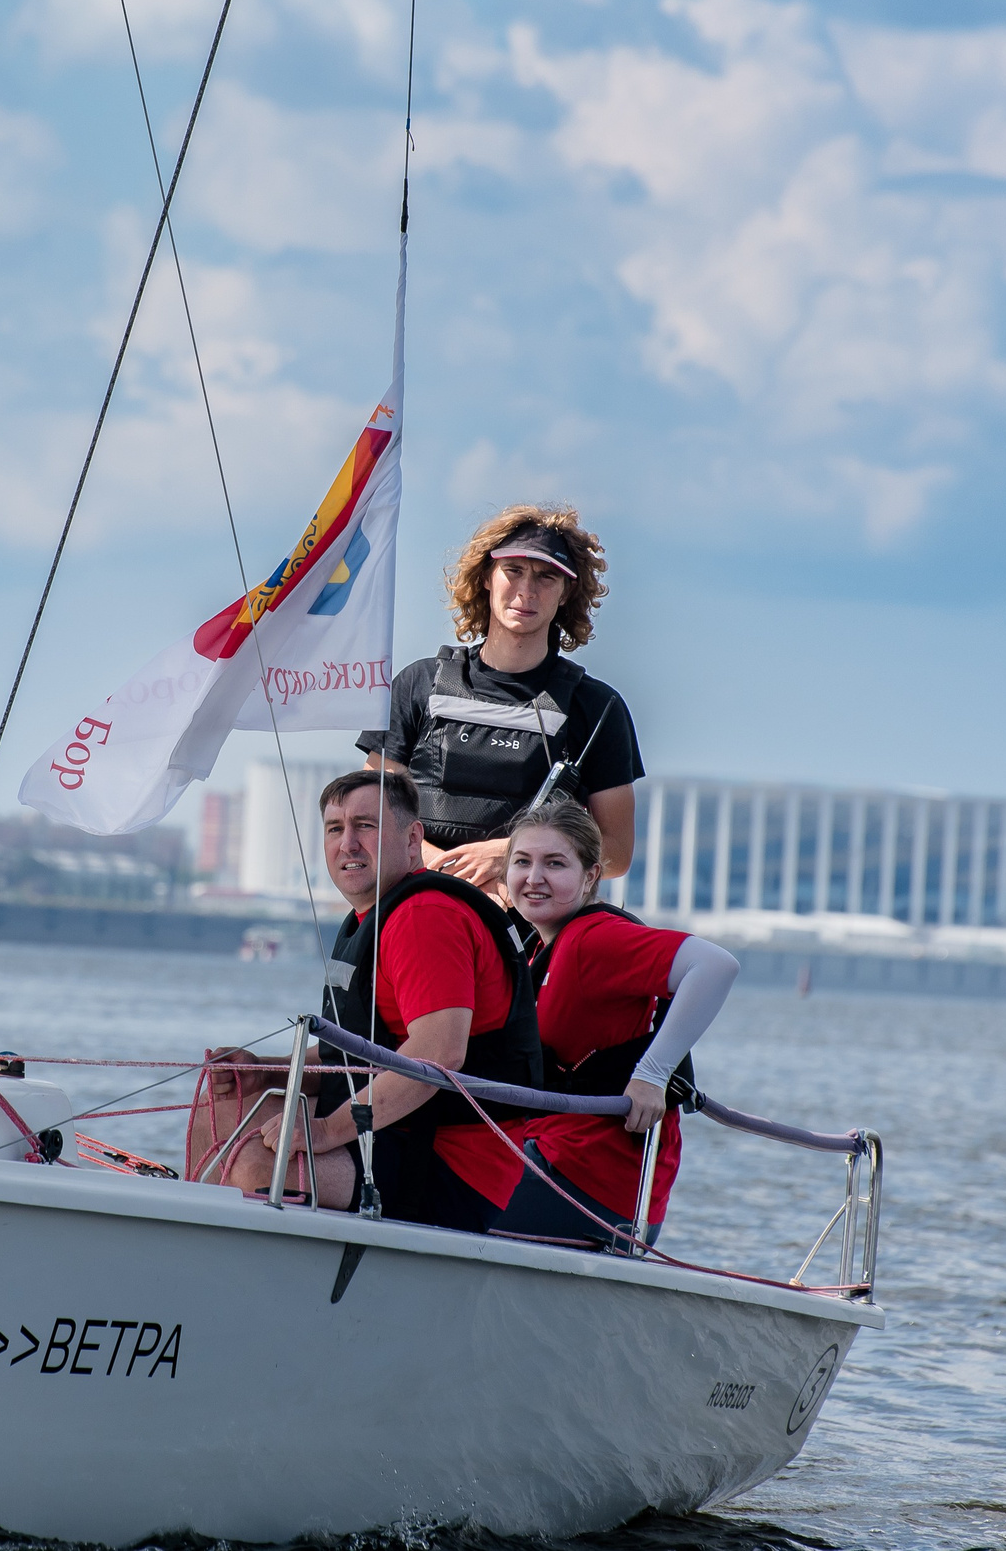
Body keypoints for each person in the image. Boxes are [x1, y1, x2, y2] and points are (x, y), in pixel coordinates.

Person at [191, 769, 538, 1232]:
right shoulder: (369, 918)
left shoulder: (424, 916)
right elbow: (355, 1049)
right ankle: (204, 1248)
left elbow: (439, 1054)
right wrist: (266, 1069)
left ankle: (244, 1277)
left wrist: (326, 1131)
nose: (348, 843)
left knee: (259, 1164)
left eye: (366, 825)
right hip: (392, 1133)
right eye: (336, 829)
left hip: (446, 1160)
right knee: (227, 1105)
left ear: (413, 838)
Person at [360, 504, 642, 895]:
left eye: (547, 577)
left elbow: (616, 852)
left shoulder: (597, 708)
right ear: (487, 578)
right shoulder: (419, 683)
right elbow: (371, 813)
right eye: (514, 570)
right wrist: (441, 873)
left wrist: (513, 854)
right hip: (417, 903)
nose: (527, 590)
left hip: (526, 929)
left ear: (566, 592)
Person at [494, 797, 736, 1247]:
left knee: (418, 1196)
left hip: (593, 1178)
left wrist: (652, 1073)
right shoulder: (538, 952)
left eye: (555, 864)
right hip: (558, 1157)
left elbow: (715, 966)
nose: (534, 877)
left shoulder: (593, 940)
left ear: (590, 876)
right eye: (522, 861)